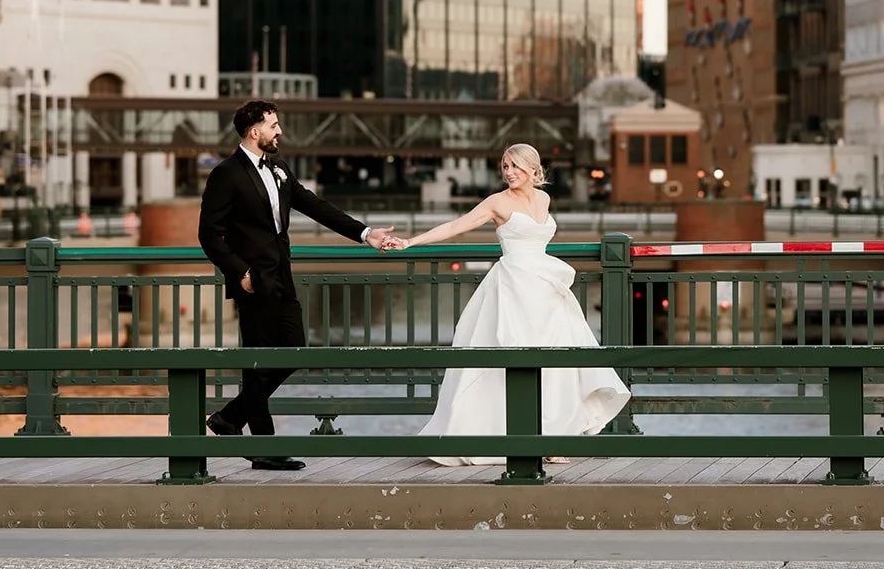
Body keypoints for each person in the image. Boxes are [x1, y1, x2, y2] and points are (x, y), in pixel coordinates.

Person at [388, 143, 630, 466]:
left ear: (533, 168)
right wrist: (410, 242)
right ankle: (503, 436)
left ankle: (552, 439)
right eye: (505, 167)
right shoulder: (497, 203)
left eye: (515, 166)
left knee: (556, 366)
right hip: (513, 290)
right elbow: (454, 226)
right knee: (506, 363)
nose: (509, 172)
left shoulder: (544, 199)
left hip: (546, 290)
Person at [197, 99, 397, 470]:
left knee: (293, 350)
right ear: (254, 131)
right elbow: (209, 234)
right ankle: (264, 448)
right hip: (253, 281)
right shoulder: (226, 174)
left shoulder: (278, 167)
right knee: (259, 361)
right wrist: (239, 272)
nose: (280, 131)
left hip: (282, 275)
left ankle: (229, 417)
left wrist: (365, 233)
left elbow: (314, 205)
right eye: (273, 125)